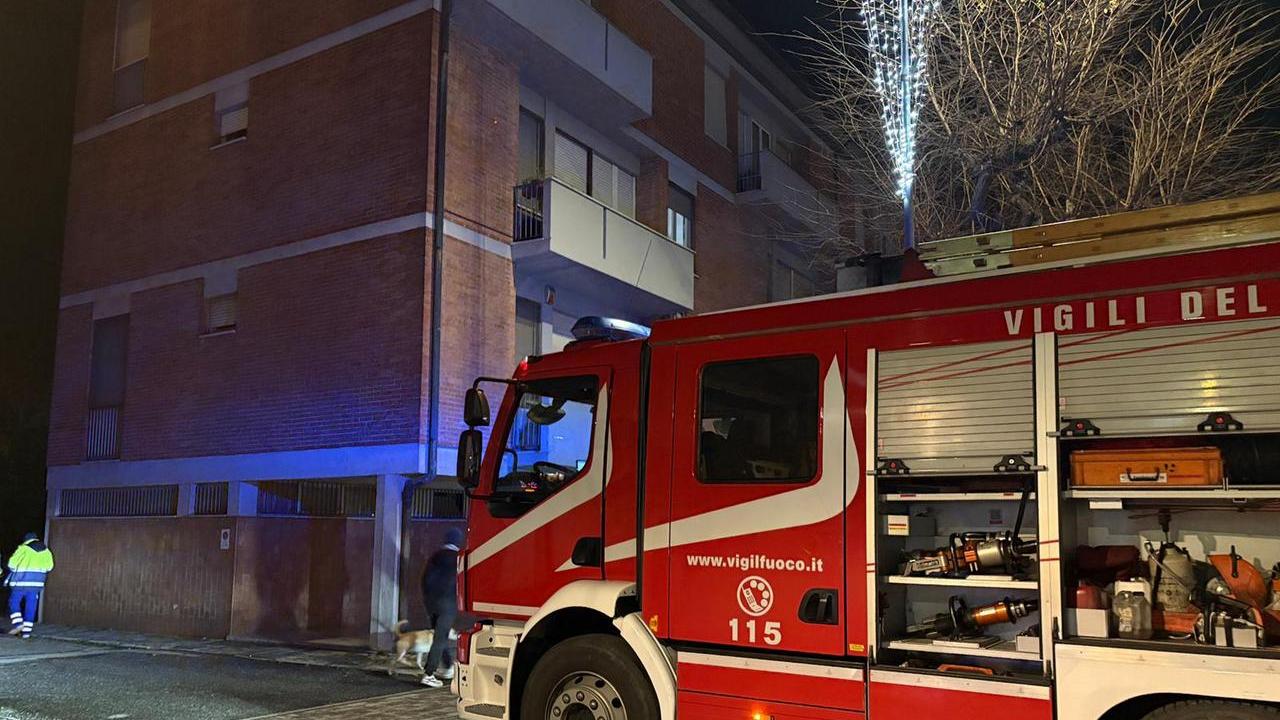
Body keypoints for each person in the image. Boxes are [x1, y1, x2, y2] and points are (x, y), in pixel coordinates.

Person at [419, 526, 463, 688]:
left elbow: (424, 579)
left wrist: (427, 600)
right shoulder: (458, 558)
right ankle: (429, 674)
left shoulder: (435, 556)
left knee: (440, 636)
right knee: (440, 638)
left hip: (431, 603)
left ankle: (448, 667)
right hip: (448, 603)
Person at [6, 532, 54, 639]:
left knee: (13, 602)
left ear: (26, 540)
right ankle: (26, 633)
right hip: (36, 584)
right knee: (31, 606)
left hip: (20, 582)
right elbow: (50, 567)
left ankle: (19, 624)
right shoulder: (46, 551)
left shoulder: (23, 548)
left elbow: (11, 564)